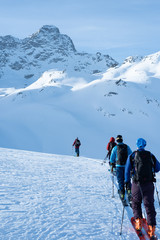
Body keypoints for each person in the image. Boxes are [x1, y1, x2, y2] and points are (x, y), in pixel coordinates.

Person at [125, 138, 160, 239]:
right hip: (149, 184)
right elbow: (158, 168)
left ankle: (138, 222)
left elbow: (127, 170)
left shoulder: (132, 156)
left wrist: (127, 182)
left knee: (136, 202)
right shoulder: (150, 155)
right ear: (145, 145)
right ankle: (152, 229)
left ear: (136, 145)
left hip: (137, 184)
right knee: (149, 205)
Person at [110, 135, 132, 200]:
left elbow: (112, 159)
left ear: (117, 140)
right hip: (126, 166)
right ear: (122, 140)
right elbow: (131, 155)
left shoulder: (115, 148)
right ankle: (129, 191)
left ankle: (122, 193)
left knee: (120, 180)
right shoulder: (127, 147)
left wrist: (112, 165)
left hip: (118, 166)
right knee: (127, 179)